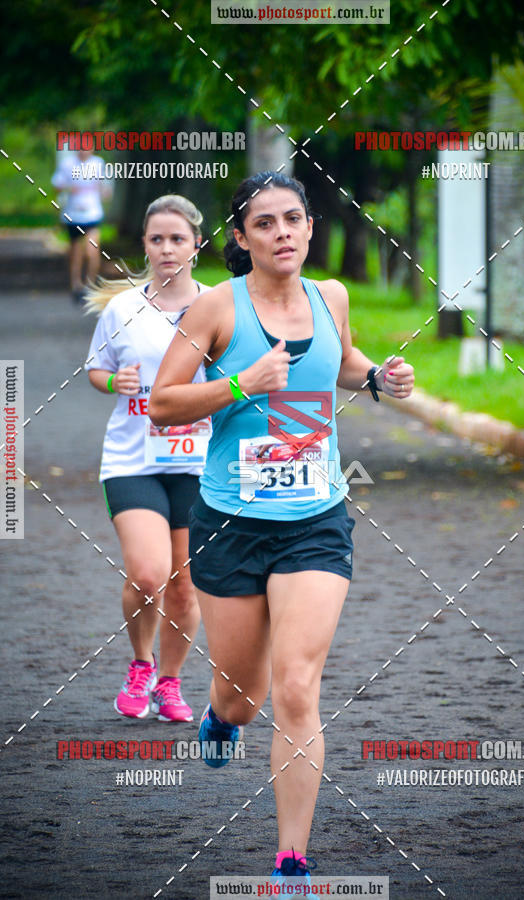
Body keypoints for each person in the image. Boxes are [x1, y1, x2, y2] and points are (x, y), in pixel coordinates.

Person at [149, 172, 415, 877]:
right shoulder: (216, 309)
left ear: (309, 226)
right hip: (229, 523)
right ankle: (218, 714)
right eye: (264, 224)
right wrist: (241, 383)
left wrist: (377, 377)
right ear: (240, 238)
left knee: (297, 686)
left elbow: (342, 360)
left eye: (293, 219)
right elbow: (163, 403)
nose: (283, 233)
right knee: (243, 698)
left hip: (314, 520)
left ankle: (291, 863)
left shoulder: (332, 296)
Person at [84, 194, 211, 722]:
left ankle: (170, 683)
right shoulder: (122, 308)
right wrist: (115, 380)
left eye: (177, 239)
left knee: (184, 582)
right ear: (144, 245)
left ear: (197, 245)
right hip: (132, 457)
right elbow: (95, 370)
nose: (166, 249)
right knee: (147, 574)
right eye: (156, 239)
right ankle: (141, 663)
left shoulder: (218, 305)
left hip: (198, 460)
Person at [52, 147, 112, 304]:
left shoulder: (98, 163)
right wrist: (69, 188)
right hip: (73, 216)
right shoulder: (67, 164)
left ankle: (90, 286)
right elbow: (57, 186)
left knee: (92, 251)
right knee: (76, 253)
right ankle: (76, 285)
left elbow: (106, 188)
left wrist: (104, 191)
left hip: (92, 215)